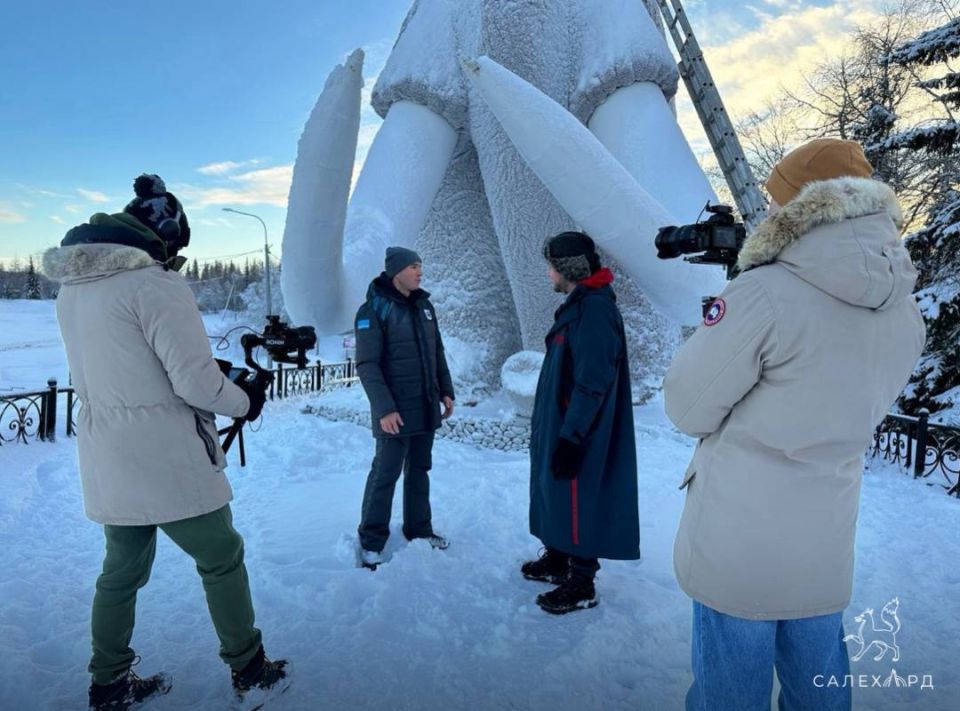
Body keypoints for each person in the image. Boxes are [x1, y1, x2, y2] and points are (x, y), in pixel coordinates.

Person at [663, 139, 926, 710]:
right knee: (820, 690)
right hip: (826, 535)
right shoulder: (904, 307)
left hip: (739, 537)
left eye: (775, 198)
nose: (768, 210)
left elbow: (687, 407)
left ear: (803, 204)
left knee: (729, 693)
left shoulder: (765, 292)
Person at [43, 174, 287, 710]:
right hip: (166, 452)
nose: (175, 258)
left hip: (108, 449)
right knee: (222, 555)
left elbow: (125, 363)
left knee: (121, 571)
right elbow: (195, 384)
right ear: (166, 237)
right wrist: (244, 399)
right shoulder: (155, 284)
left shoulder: (74, 288)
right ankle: (249, 667)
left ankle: (107, 684)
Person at [523, 231, 640, 614]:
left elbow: (593, 380)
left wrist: (572, 436)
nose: (548, 274)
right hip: (562, 422)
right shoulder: (581, 304)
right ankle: (558, 557)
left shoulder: (594, 311)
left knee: (579, 497)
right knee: (556, 491)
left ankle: (582, 580)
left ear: (567, 269)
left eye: (551, 267)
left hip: (581, 429)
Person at [354, 246, 456, 569]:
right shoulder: (373, 310)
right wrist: (384, 409)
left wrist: (446, 391)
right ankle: (371, 542)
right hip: (394, 412)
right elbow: (368, 365)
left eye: (420, 266)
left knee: (420, 471)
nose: (419, 272)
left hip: (425, 406)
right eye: (413, 266)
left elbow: (437, 351)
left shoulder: (425, 306)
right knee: (386, 473)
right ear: (396, 271)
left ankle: (419, 529)